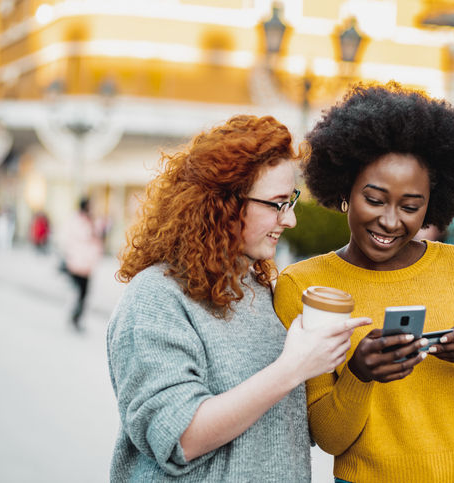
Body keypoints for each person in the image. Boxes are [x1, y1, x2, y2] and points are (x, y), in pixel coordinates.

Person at [273, 83, 454, 483]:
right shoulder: (304, 285)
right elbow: (329, 438)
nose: (391, 221)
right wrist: (358, 373)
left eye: (410, 207)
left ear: (432, 206)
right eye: (374, 199)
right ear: (345, 192)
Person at [106, 115, 369, 482]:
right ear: (222, 204)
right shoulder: (155, 299)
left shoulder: (258, 291)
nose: (290, 220)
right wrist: (292, 367)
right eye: (278, 203)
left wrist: (358, 367)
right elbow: (180, 438)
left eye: (290, 200)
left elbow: (287, 429)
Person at [61, 197, 102, 330]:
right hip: (76, 263)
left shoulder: (90, 221)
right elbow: (71, 240)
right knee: (78, 293)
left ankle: (77, 317)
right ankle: (74, 316)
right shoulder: (76, 221)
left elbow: (95, 241)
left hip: (87, 265)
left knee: (84, 294)